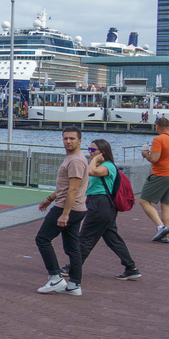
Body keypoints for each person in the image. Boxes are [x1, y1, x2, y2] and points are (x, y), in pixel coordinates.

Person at [72, 139, 141, 282]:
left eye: (92, 150)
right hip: (102, 206)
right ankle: (131, 268)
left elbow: (91, 171)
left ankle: (73, 267)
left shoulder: (108, 166)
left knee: (85, 237)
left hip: (100, 204)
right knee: (113, 239)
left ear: (102, 152)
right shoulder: (102, 165)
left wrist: (96, 159)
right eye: (89, 149)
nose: (89, 152)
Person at [35, 126, 88, 296]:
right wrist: (50, 198)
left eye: (72, 138)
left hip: (67, 208)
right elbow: (66, 187)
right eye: (65, 138)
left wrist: (65, 214)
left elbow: (73, 190)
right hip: (75, 208)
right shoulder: (73, 158)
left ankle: (55, 277)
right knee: (73, 247)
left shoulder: (75, 161)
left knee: (42, 239)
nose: (68, 141)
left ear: (80, 141)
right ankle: (74, 285)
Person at [139, 117, 169, 243]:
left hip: (162, 174)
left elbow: (154, 158)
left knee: (144, 201)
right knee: (166, 205)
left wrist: (145, 154)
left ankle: (161, 227)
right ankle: (164, 236)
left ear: (157, 127)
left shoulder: (158, 139)